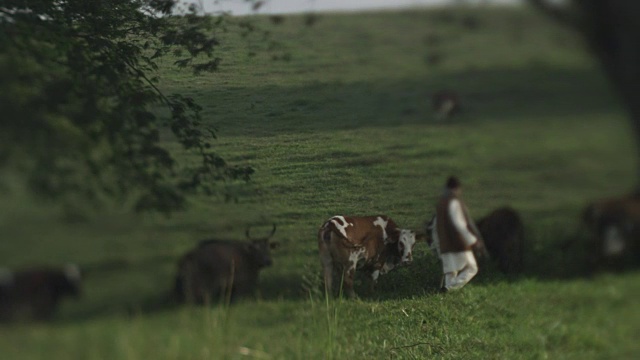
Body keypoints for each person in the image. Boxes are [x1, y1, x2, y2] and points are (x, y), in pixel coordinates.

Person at [431, 176, 486, 292]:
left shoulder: (441, 204)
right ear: (457, 188)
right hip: (458, 244)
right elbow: (459, 224)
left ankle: (446, 293)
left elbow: (436, 226)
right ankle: (448, 288)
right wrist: (473, 240)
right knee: (472, 268)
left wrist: (438, 244)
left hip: (445, 245)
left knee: (451, 272)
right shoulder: (454, 202)